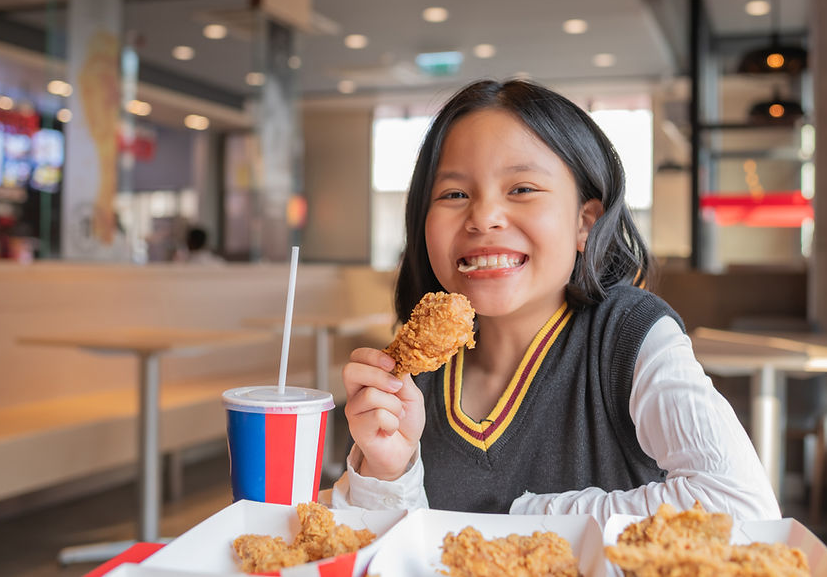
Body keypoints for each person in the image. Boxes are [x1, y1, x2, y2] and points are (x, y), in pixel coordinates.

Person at [331, 79, 779, 523]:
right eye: (454, 194)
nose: (483, 217)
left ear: (585, 222)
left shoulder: (630, 336)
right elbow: (394, 558)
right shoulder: (416, 377)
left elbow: (742, 506)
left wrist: (528, 516)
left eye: (522, 188)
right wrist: (388, 473)